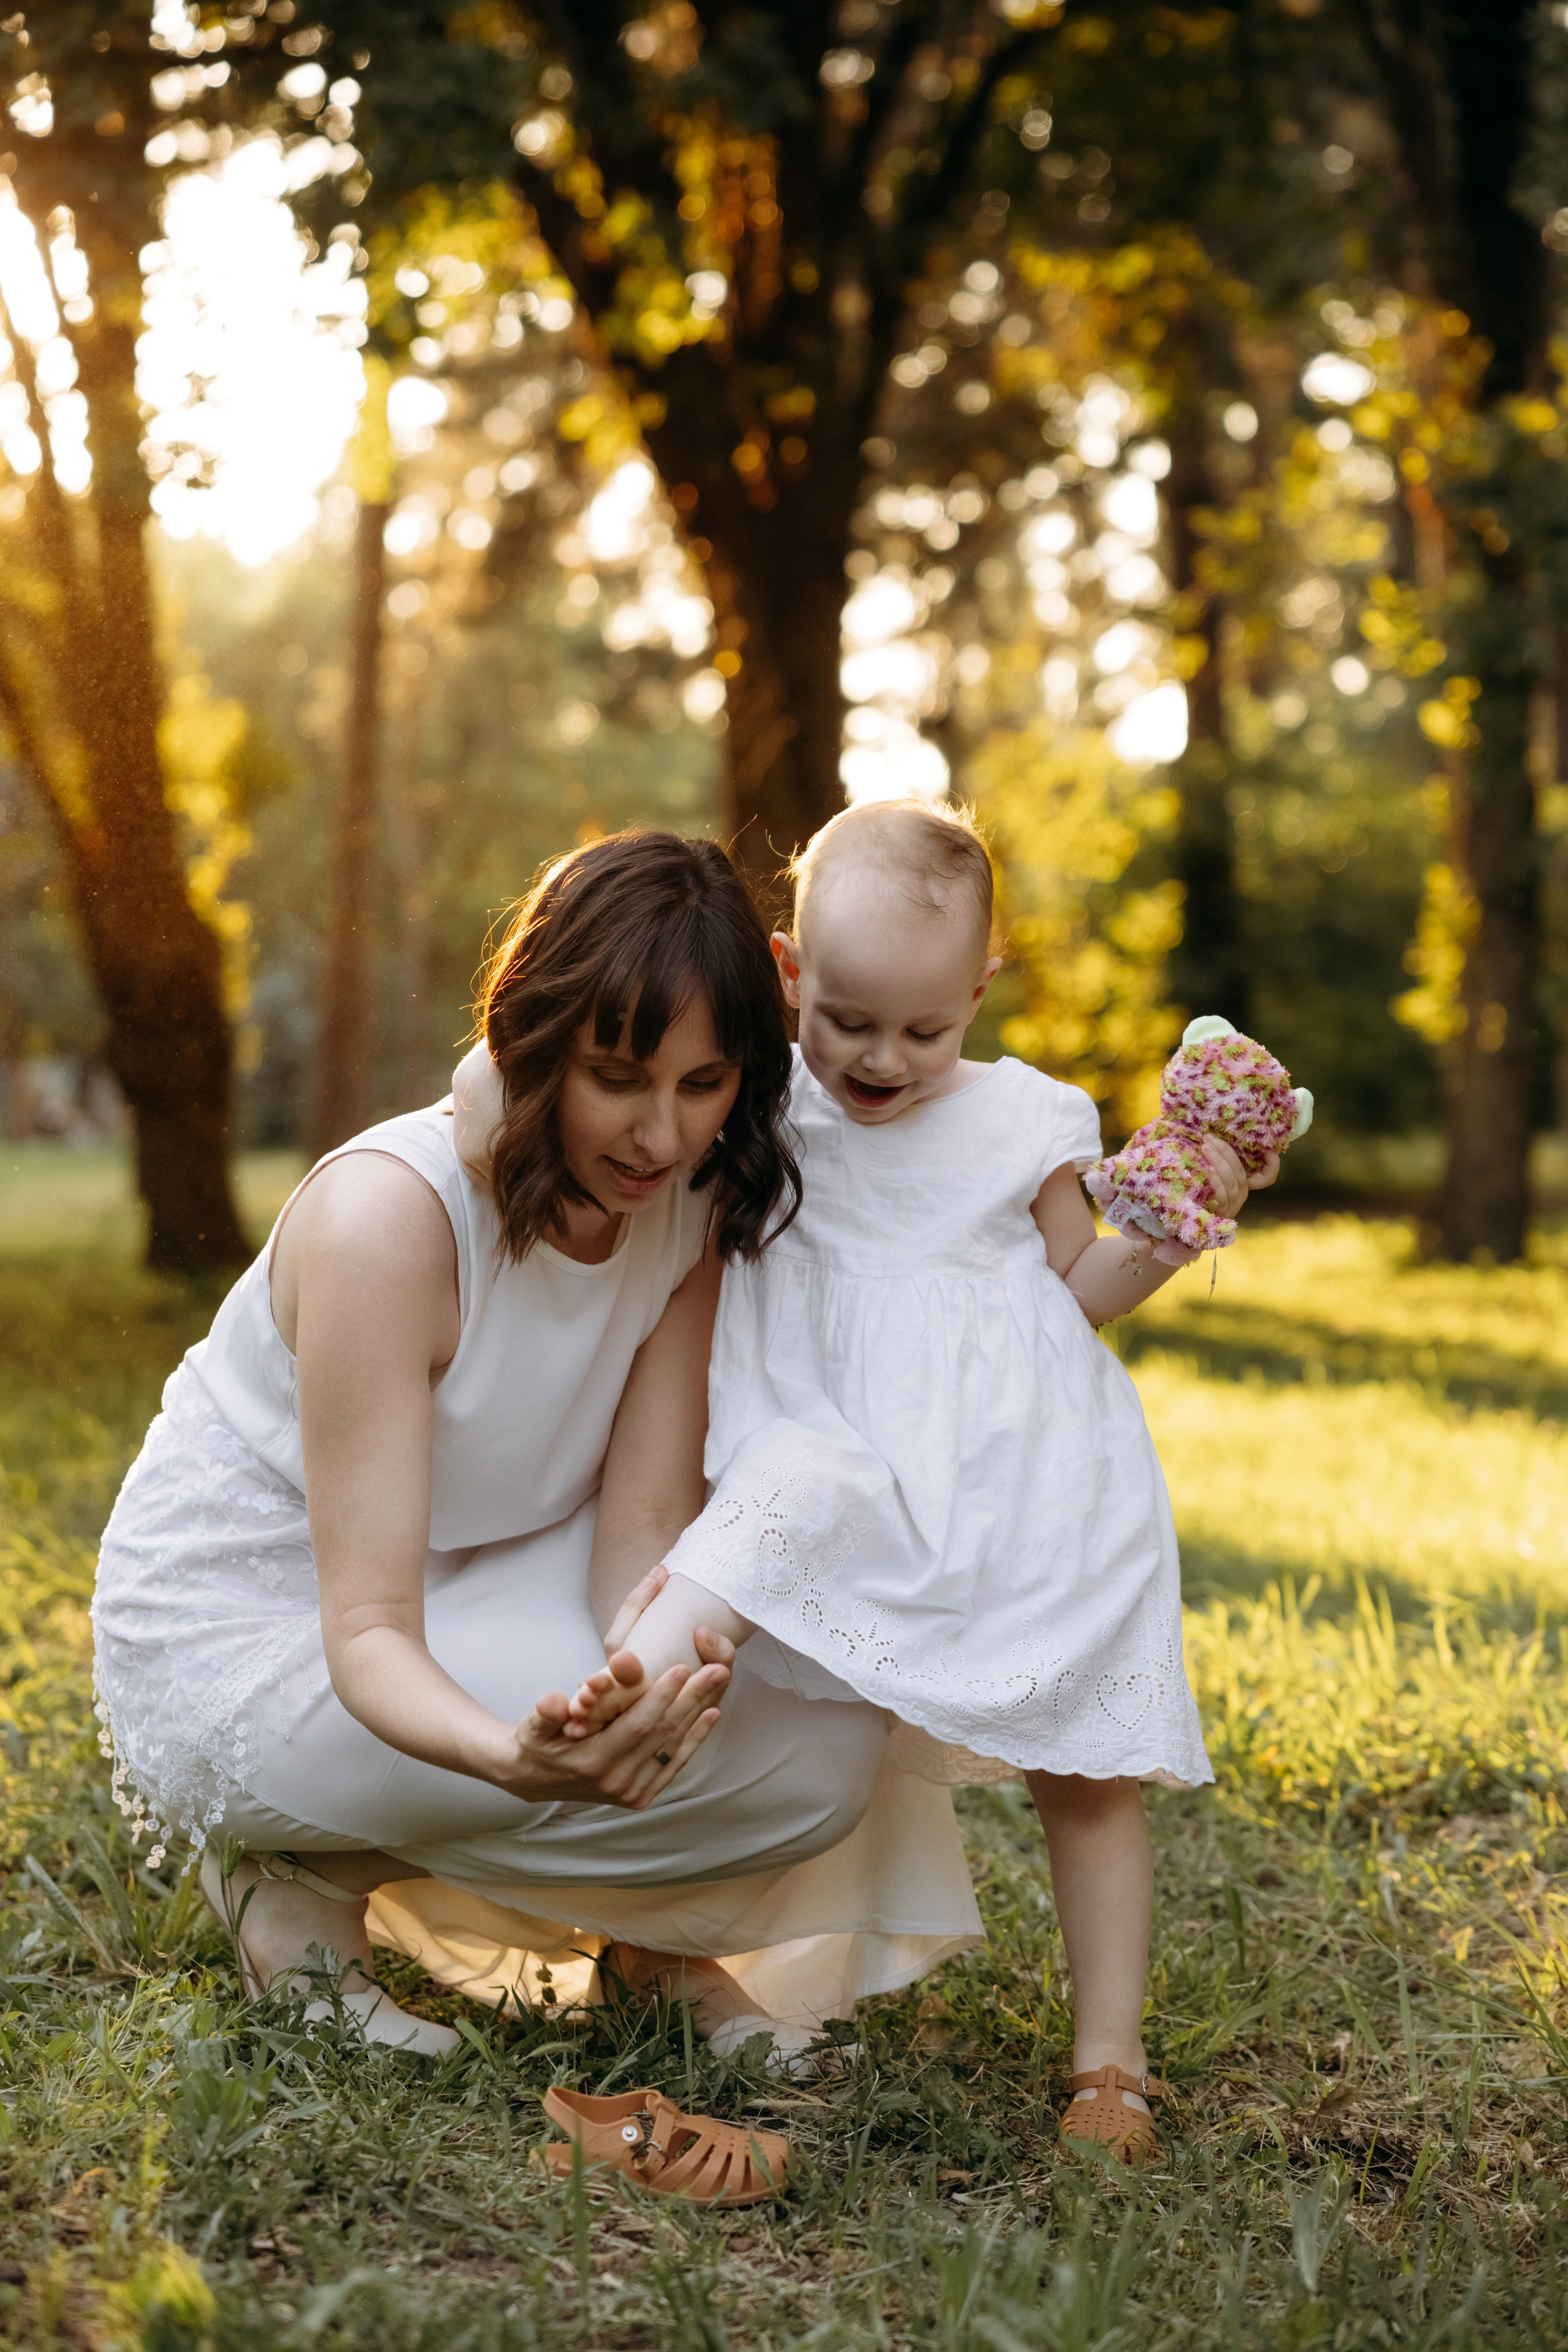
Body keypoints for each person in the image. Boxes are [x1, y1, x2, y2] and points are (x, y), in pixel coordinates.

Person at [92, 831, 981, 2064]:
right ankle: (295, 1881)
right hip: (252, 1631)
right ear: (537, 1037)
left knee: (817, 1746)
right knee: (638, 1727)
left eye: (702, 1083)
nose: (657, 1137)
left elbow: (636, 1536)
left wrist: (646, 1689)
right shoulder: (386, 1224)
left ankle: (645, 1952)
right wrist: (507, 1758)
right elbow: (367, 1632)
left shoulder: (688, 1208)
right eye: (617, 1076)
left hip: (477, 1573)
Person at [548, 800, 1275, 2162]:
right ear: (785, 973)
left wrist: (1181, 1210)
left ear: (979, 994)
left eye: (922, 1030)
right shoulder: (755, 1103)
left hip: (1019, 1483)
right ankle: (649, 1939)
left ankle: (1108, 2062)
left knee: (1084, 1763)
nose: (880, 1058)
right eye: (846, 1018)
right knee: (727, 1694)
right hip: (819, 1474)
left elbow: (1080, 1292)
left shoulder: (1023, 1118)